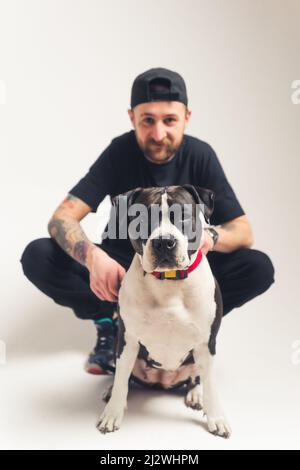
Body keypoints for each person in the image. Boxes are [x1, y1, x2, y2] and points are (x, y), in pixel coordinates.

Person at [20, 67, 275, 375]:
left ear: (186, 117)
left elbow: (243, 231)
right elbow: (62, 218)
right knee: (39, 255)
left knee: (257, 266)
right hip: (127, 266)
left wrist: (207, 238)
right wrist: (92, 258)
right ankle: (110, 323)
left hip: (187, 269)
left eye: (169, 120)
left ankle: (190, 332)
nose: (158, 134)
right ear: (132, 118)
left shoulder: (200, 155)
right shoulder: (119, 152)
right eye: (147, 120)